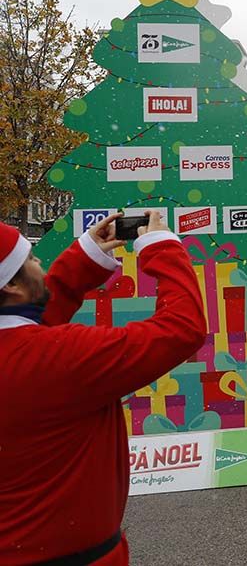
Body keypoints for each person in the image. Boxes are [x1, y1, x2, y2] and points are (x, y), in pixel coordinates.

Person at [0, 212, 206, 564]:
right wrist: (162, 249)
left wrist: (84, 258)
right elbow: (181, 329)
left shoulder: (30, 355)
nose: (41, 266)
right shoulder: (58, 357)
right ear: (11, 286)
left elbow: (27, 329)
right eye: (32, 259)